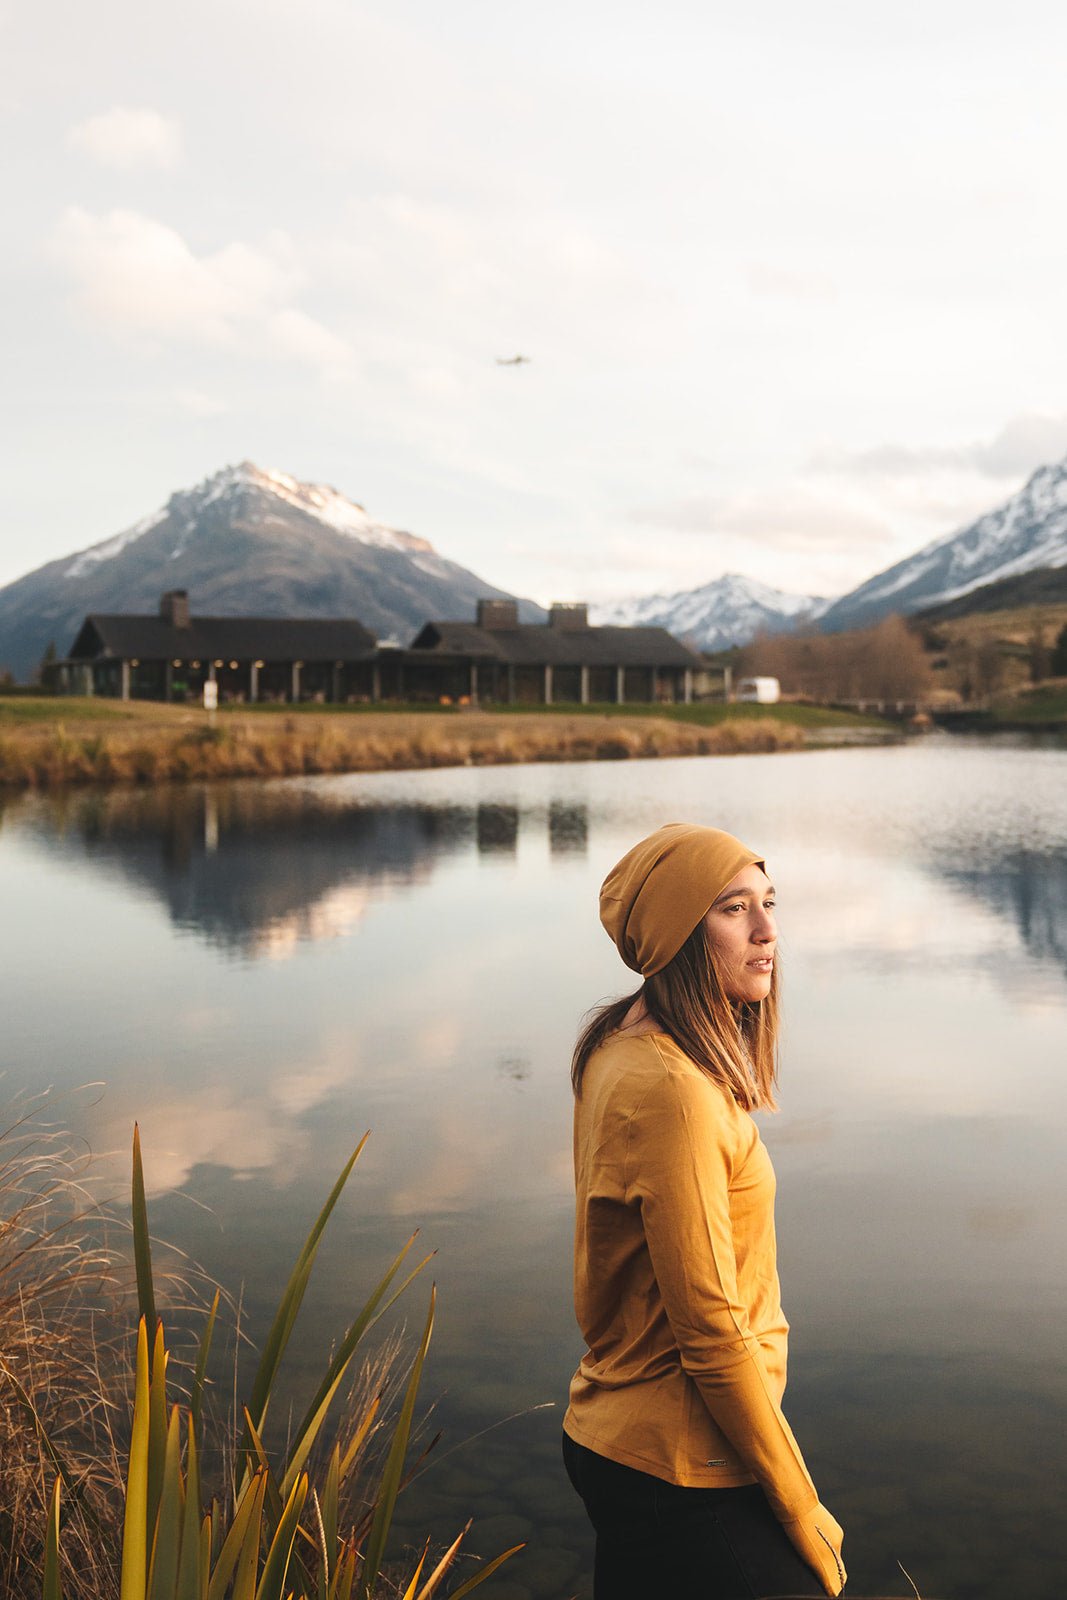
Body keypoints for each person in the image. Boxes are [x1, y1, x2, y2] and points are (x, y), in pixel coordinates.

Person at [562, 822, 846, 1599]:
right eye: (733, 909)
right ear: (680, 934)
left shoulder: (616, 1044)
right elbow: (711, 1328)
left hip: (620, 1439)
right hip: (680, 1464)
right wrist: (799, 1503)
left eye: (768, 903)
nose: (767, 931)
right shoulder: (675, 1093)